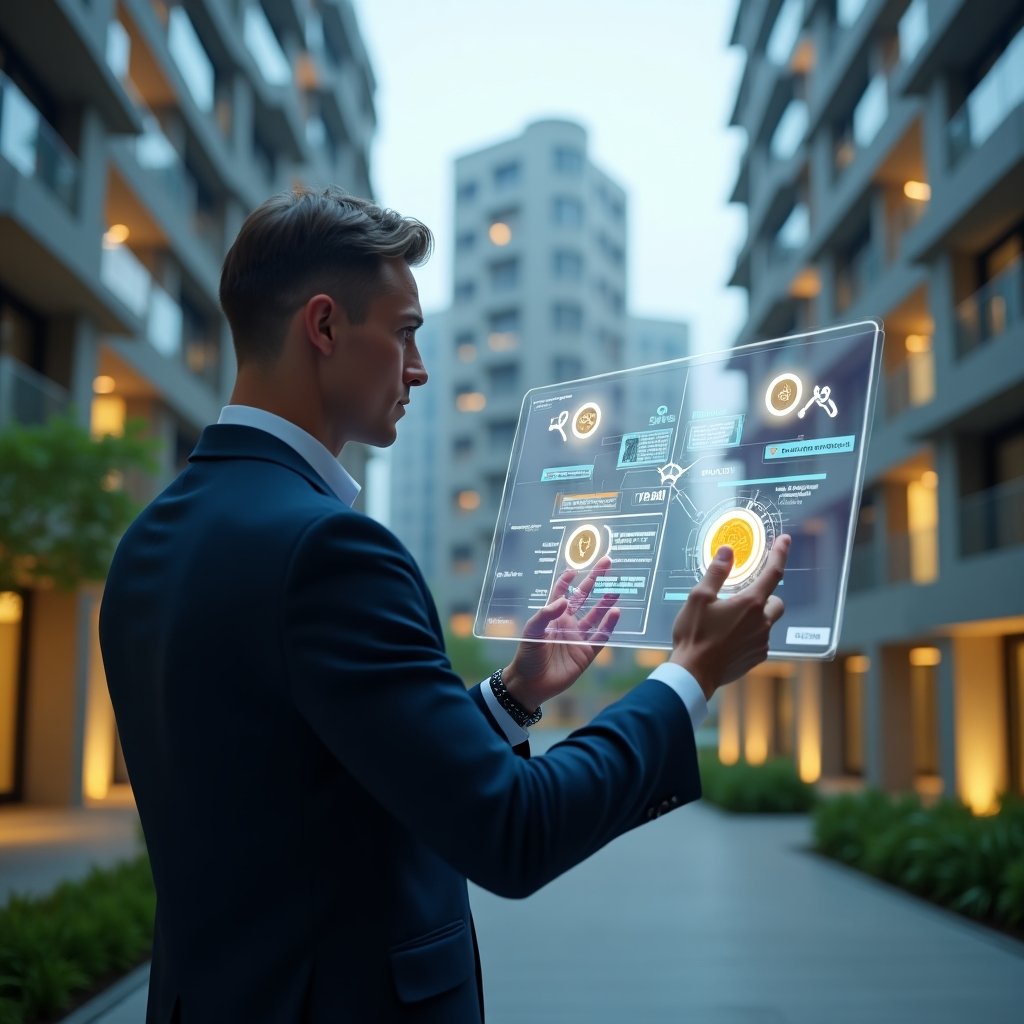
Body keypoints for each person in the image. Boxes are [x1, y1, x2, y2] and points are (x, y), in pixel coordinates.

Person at [99, 186, 789, 1024]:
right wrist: (690, 675)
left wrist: (512, 698)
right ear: (322, 327)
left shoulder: (149, 540)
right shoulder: (329, 550)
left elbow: (308, 778)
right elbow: (513, 830)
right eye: (404, 334)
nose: (419, 368)